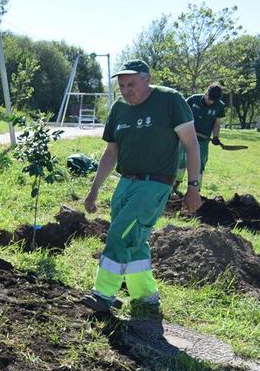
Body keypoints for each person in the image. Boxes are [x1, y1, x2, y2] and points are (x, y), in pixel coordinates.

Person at [82, 60, 202, 317]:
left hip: (155, 183)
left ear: (147, 79)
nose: (126, 90)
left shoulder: (170, 100)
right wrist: (94, 190)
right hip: (126, 181)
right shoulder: (119, 109)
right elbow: (110, 153)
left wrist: (194, 187)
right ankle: (145, 295)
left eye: (131, 84)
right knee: (135, 238)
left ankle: (103, 294)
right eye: (122, 85)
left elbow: (192, 145)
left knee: (119, 234)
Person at [174, 82, 226, 190]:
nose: (210, 102)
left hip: (203, 140)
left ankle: (196, 190)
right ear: (206, 92)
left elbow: (217, 123)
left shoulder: (220, 106)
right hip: (185, 136)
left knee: (200, 163)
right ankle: (176, 183)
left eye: (213, 101)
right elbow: (180, 114)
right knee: (180, 161)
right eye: (209, 98)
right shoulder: (193, 100)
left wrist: (216, 136)